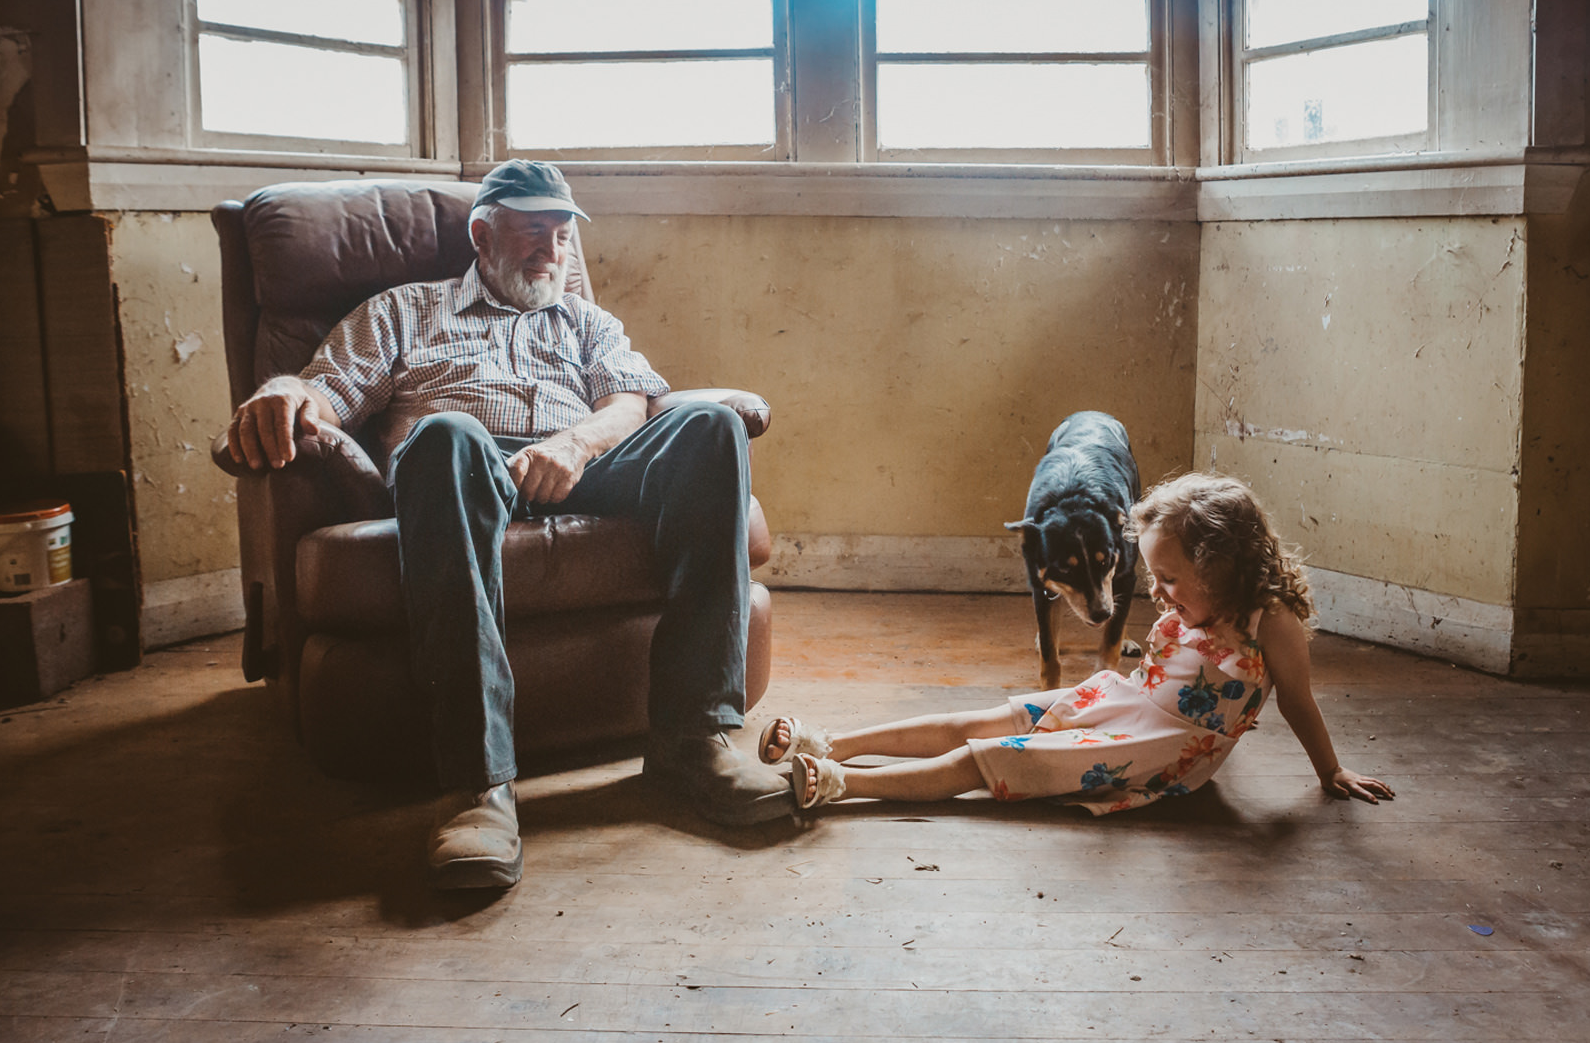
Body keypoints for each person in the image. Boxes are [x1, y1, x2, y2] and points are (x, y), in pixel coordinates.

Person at [224, 160, 791, 889]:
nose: (552, 250)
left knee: (709, 425)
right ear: (482, 234)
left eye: (562, 234)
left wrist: (575, 444)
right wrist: (280, 390)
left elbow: (629, 403)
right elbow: (323, 389)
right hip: (461, 472)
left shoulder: (588, 321)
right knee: (444, 434)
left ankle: (694, 740)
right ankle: (476, 784)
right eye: (532, 231)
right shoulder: (404, 310)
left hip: (580, 464)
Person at [762, 473, 1395, 815]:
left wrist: (1329, 769)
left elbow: (1299, 700)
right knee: (976, 720)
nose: (1156, 589)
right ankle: (833, 741)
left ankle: (843, 784)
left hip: (1155, 744)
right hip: (1119, 701)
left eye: (1170, 578)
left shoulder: (1270, 621)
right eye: (1152, 575)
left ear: (1222, 566)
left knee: (984, 759)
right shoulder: (1192, 597)